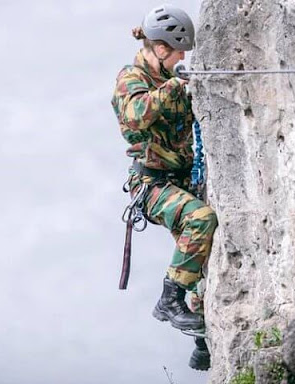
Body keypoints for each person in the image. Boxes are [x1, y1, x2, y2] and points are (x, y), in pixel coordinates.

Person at [111, 4, 218, 371]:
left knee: (201, 253)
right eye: (178, 52)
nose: (182, 58)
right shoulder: (130, 78)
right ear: (160, 49)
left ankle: (203, 344)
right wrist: (177, 84)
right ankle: (168, 300)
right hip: (152, 184)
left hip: (182, 178)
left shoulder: (169, 74)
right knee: (200, 220)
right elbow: (135, 114)